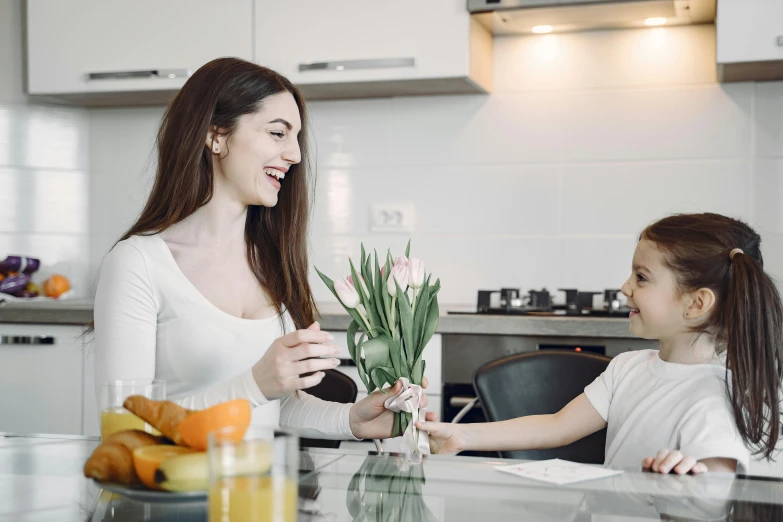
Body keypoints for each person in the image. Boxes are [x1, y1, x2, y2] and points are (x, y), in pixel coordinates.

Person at [94, 57, 435, 441]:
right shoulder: (137, 264)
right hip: (171, 494)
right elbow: (125, 428)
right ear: (216, 135)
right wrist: (254, 384)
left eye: (296, 138)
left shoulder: (270, 262)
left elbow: (278, 407)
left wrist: (352, 421)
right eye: (277, 133)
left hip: (258, 495)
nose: (296, 155)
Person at [419, 213, 783, 474]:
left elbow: (716, 494)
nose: (625, 287)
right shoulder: (629, 368)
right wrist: (460, 434)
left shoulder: (722, 394)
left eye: (641, 277)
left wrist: (687, 482)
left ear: (696, 303)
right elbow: (557, 426)